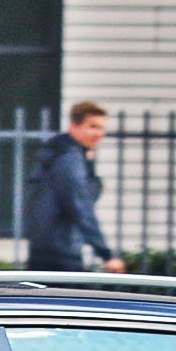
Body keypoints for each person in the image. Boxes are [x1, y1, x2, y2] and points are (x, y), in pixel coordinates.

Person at [26, 101, 125, 274]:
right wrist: (106, 254)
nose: (99, 134)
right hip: (63, 251)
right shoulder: (70, 158)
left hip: (41, 248)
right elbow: (80, 205)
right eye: (93, 127)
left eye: (102, 128)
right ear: (75, 127)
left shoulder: (54, 153)